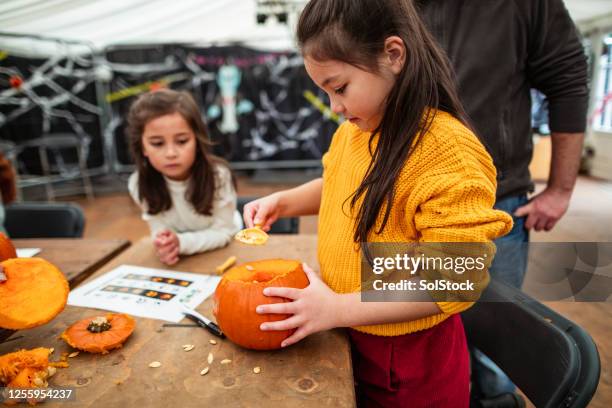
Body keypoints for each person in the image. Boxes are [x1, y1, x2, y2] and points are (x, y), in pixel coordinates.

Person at [243, 0, 513, 406]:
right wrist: (284, 201)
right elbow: (339, 184)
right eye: (325, 92)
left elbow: (455, 277)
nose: (334, 107)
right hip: (353, 331)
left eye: (340, 88)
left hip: (409, 362)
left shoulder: (447, 151)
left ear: (393, 55)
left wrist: (335, 308)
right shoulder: (356, 131)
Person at [417, 2, 588, 406]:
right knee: (416, 332)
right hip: (406, 204)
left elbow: (567, 78)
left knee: (496, 350)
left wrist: (560, 189)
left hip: (496, 199)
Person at [126, 89, 241, 266]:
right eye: (157, 143)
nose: (171, 153)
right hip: (182, 259)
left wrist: (181, 243)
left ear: (197, 140)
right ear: (142, 147)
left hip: (229, 250)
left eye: (181, 141)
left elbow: (223, 233)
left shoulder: (219, 176)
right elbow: (159, 229)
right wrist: (164, 244)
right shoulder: (137, 184)